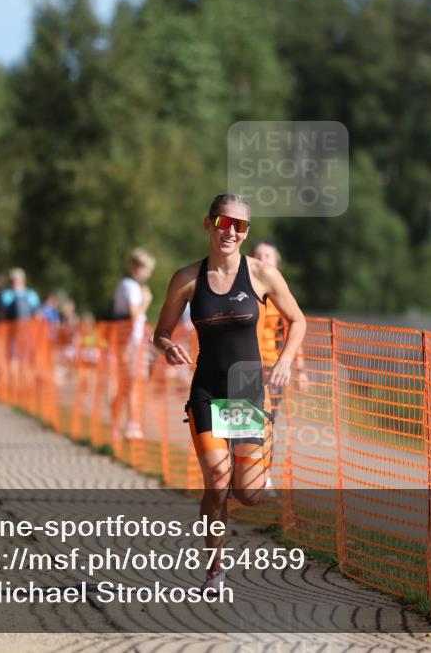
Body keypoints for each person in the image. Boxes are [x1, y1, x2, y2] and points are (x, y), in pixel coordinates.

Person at [152, 194, 306, 594]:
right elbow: (161, 332)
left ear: (246, 232)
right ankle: (215, 567)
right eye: (224, 223)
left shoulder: (261, 274)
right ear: (209, 224)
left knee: (249, 494)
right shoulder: (186, 278)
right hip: (207, 390)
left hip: (247, 391)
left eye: (240, 226)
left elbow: (297, 320)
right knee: (217, 480)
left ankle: (261, 466)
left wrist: (287, 361)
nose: (231, 232)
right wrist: (168, 348)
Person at [111, 248, 156, 440]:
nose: (148, 273)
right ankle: (131, 425)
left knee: (128, 384)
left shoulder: (129, 285)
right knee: (131, 384)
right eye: (145, 268)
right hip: (129, 342)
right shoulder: (130, 286)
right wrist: (146, 301)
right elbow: (134, 313)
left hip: (132, 340)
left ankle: (118, 422)